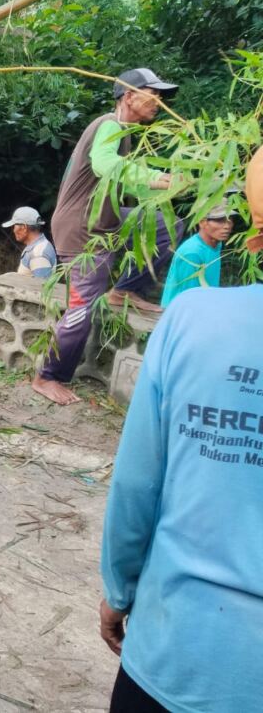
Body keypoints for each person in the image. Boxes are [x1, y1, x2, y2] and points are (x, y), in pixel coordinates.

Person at [98, 144, 263, 713]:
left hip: (180, 649)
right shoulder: (193, 266)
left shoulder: (201, 320)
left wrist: (118, 592)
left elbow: (138, 483)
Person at [33, 68, 180, 406]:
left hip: (106, 222)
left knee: (163, 225)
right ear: (129, 96)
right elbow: (104, 165)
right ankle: (47, 376)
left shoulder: (124, 133)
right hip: (83, 229)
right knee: (82, 307)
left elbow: (127, 182)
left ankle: (125, 289)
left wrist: (172, 184)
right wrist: (159, 177)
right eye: (152, 94)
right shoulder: (108, 126)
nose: (158, 101)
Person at [160, 205, 232, 307]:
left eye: (230, 219)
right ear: (202, 222)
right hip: (181, 312)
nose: (227, 226)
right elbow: (189, 297)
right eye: (220, 220)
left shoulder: (216, 244)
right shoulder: (192, 253)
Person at [2, 206, 56, 278]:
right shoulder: (39, 245)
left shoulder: (37, 254)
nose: (13, 230)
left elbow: (41, 287)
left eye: (14, 226)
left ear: (24, 227)